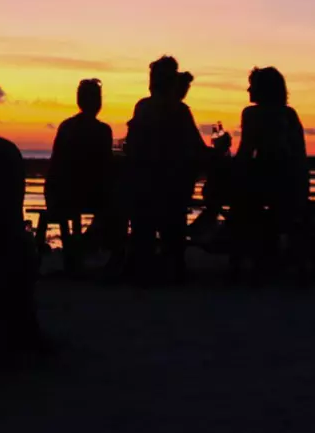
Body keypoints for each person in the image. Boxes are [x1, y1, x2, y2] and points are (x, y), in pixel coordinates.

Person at [124, 55, 207, 282]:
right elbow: (199, 150)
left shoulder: (144, 108)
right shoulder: (179, 111)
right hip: (172, 190)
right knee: (174, 209)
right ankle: (172, 261)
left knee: (139, 204)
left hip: (145, 188)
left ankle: (143, 260)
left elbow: (131, 148)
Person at [233, 65, 311, 276]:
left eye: (251, 86)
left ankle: (246, 253)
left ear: (263, 89)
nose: (248, 91)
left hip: (270, 187)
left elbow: (246, 152)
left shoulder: (253, 114)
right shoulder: (289, 114)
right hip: (295, 186)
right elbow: (298, 154)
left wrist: (223, 156)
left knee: (236, 198)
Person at [44, 78, 113, 270]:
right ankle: (87, 245)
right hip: (81, 194)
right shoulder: (102, 130)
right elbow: (104, 166)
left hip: (62, 192)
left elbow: (56, 164)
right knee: (116, 203)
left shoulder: (67, 126)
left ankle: (82, 245)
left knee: (110, 201)